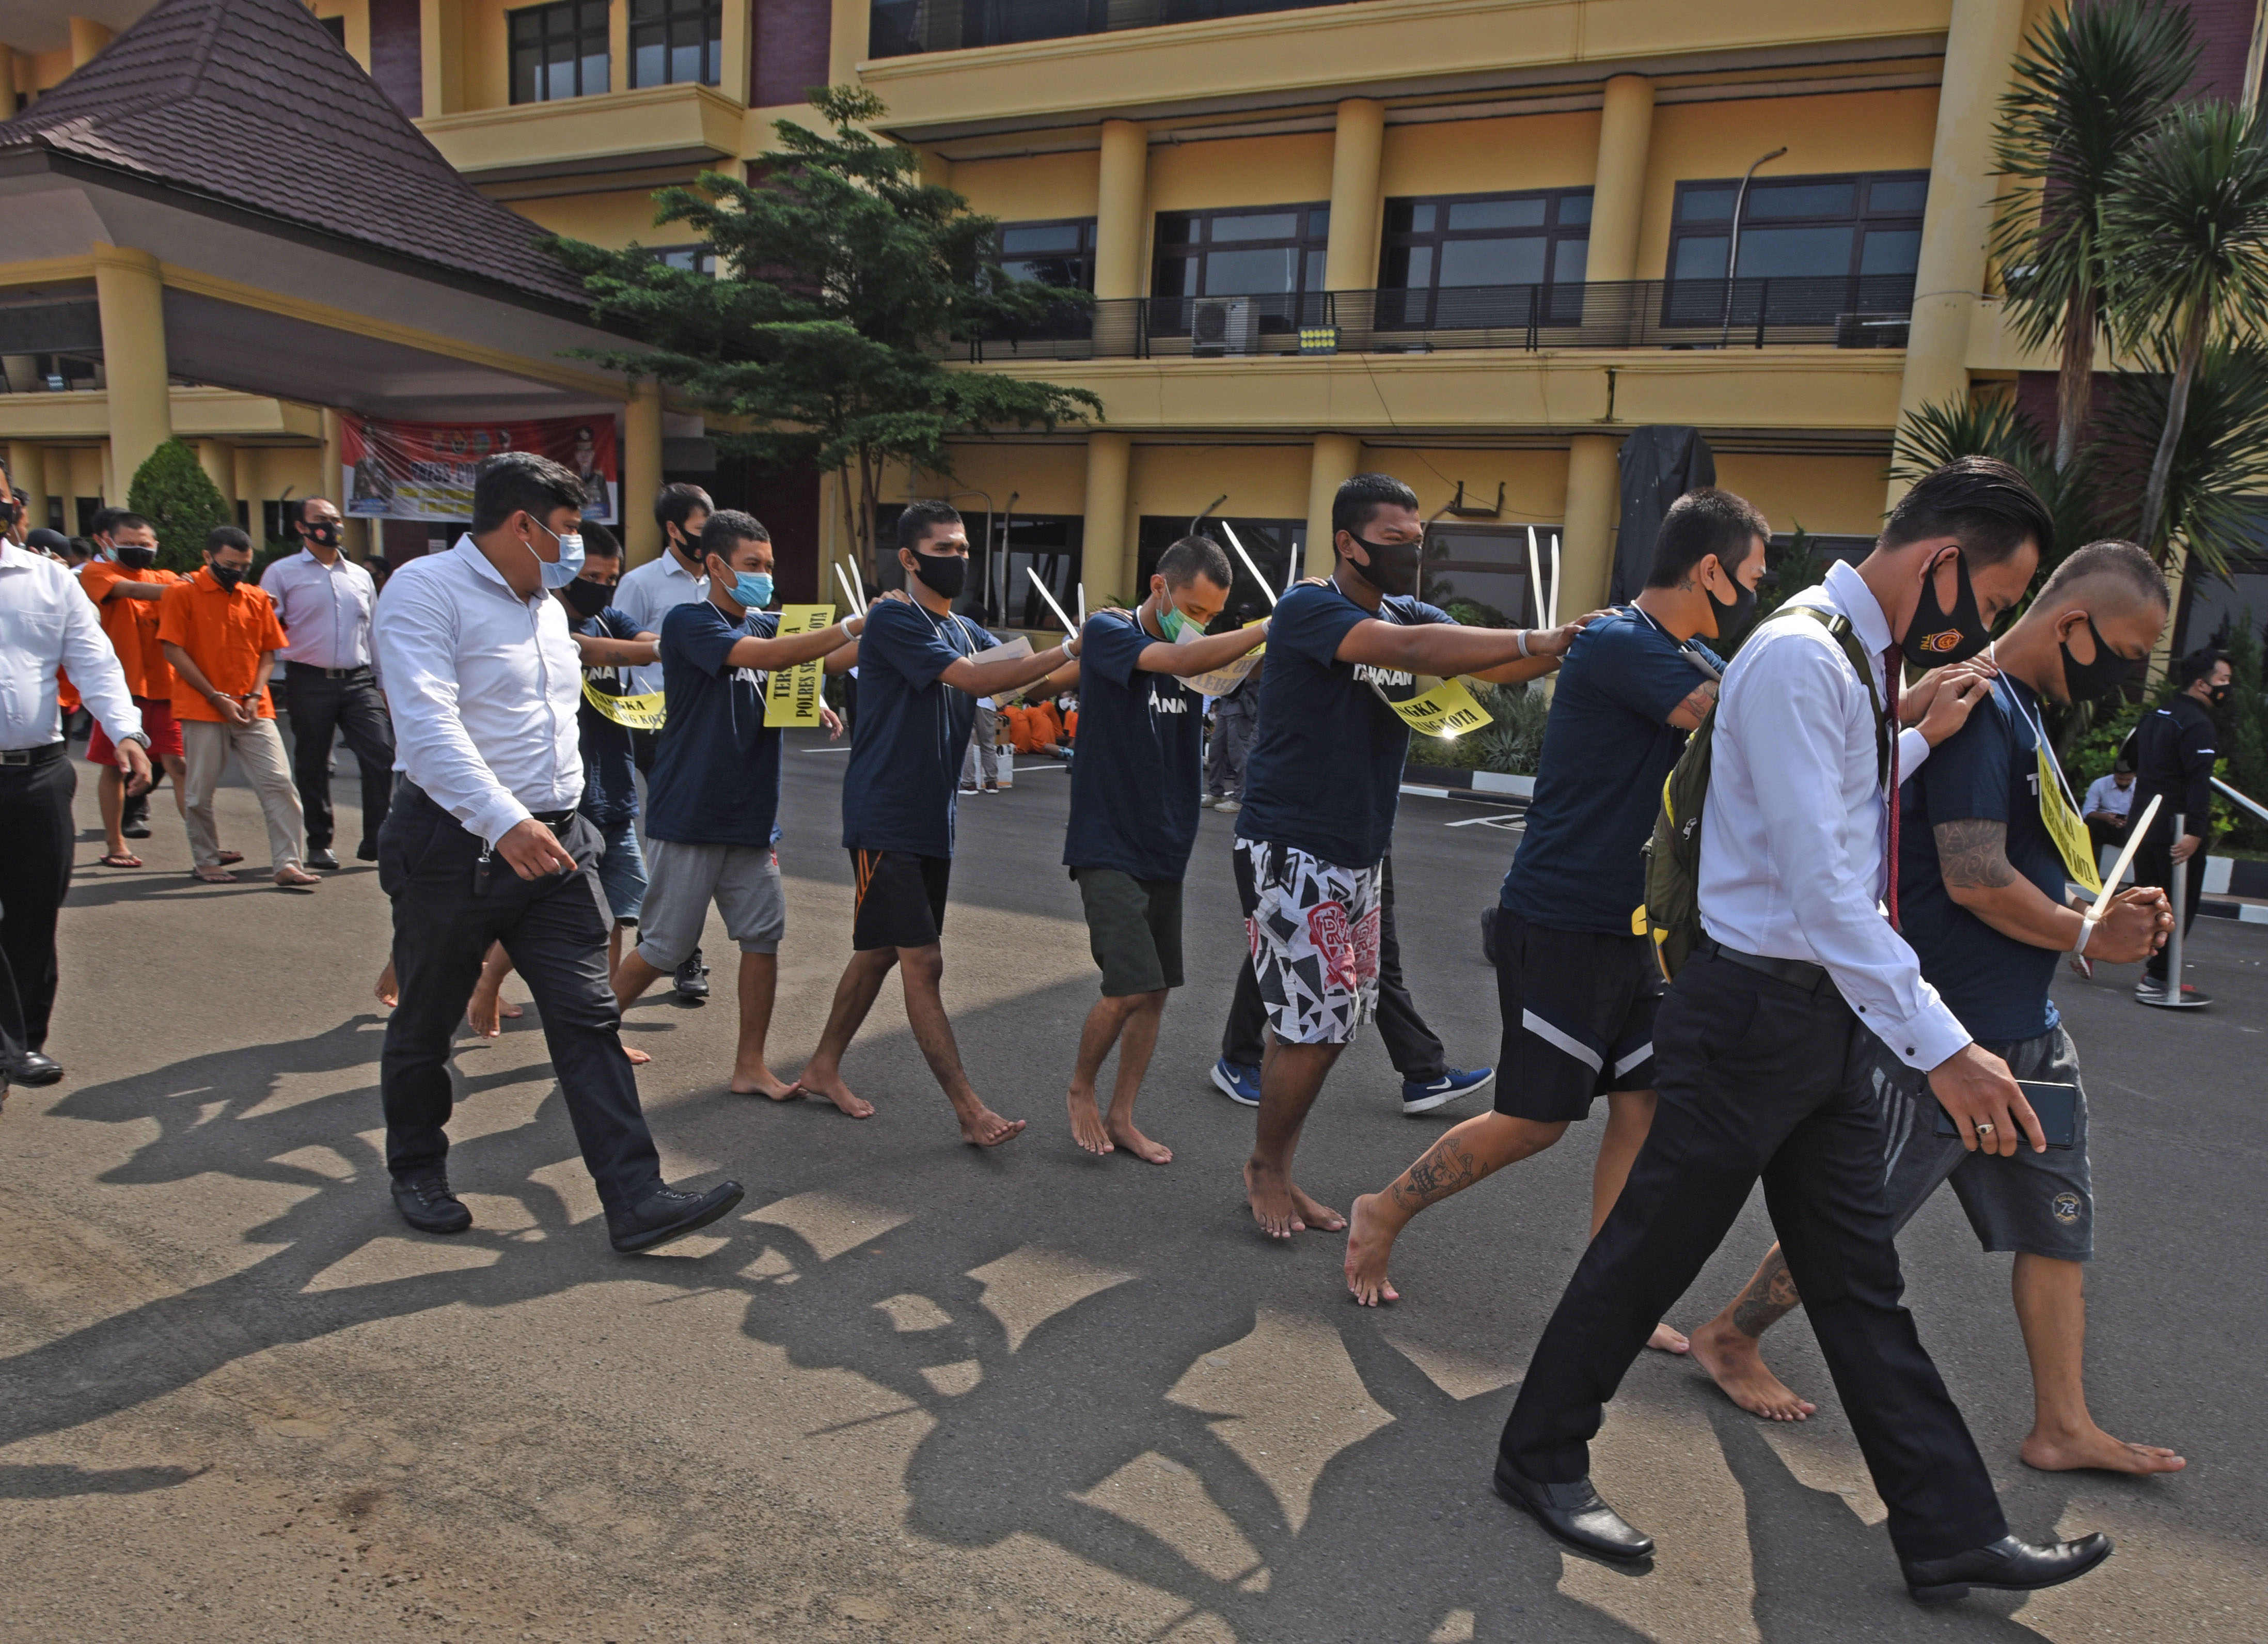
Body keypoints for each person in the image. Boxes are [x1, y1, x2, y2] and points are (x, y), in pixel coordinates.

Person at [1490, 457, 2115, 1604]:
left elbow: (1834, 808)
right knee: (1648, 1255)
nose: (1983, 626)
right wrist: (1950, 1047)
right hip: (1753, 1013)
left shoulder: (1852, 653)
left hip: (1813, 1013)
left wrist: (1919, 737)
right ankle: (1537, 1457)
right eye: (1985, 599)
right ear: (1939, 563)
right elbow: (1826, 890)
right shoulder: (1797, 655)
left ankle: (1948, 1530)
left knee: (1861, 1283)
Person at [1688, 540, 2184, 1481]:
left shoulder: (2028, 711)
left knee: (2056, 1222)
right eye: (2123, 651)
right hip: (1943, 1037)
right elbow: (1973, 878)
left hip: (2025, 1026)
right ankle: (1729, 1332)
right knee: (1851, 1220)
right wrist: (2087, 935)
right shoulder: (1983, 707)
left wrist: (2098, 916)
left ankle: (2062, 1422)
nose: (2125, 677)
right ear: (2073, 625)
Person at [1342, 489, 1770, 1339]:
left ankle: (1608, 1286)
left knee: (1643, 1102)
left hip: (1637, 926)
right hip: (1563, 919)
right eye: (1754, 576)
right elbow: (1738, 725)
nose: (1759, 594)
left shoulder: (1687, 654)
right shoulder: (1624, 644)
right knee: (1535, 1121)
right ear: (1710, 569)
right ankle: (1381, 1209)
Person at [372, 451, 742, 1251]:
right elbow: (428, 727)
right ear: (522, 524)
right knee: (428, 1018)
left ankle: (637, 1198)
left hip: (557, 840)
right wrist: (504, 819)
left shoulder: (545, 602)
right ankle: (417, 1167)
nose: (577, 548)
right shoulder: (423, 592)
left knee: (588, 1017)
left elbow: (553, 713)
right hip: (454, 840)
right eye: (568, 530)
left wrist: (569, 816)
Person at [1235, 475, 1573, 1238]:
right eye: (1395, 541)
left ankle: (1277, 1163)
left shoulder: (1402, 607)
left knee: (1335, 1022)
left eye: (1419, 540)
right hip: (1293, 846)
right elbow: (1415, 649)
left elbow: (1480, 662)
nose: (1412, 552)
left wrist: (1562, 650)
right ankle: (1268, 1168)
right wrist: (1537, 638)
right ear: (1348, 544)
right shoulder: (1308, 607)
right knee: (1311, 1027)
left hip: (1360, 850)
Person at [796, 500, 1082, 1145]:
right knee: (922, 959)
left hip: (931, 819)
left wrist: (1115, 649)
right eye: (945, 549)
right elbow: (974, 681)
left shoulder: (968, 629)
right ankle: (968, 1108)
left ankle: (821, 1066)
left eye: (963, 549)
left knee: (877, 953)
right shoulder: (896, 617)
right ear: (909, 557)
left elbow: (1018, 684)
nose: (958, 559)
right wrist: (1067, 645)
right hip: (886, 816)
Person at [610, 511, 867, 1102]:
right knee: (665, 947)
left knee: (762, 937)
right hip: (692, 814)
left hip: (752, 819)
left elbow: (821, 662)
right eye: (753, 566)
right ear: (716, 565)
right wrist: (854, 624)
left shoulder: (770, 624)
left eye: (770, 566)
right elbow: (772, 659)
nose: (764, 576)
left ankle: (750, 1065)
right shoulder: (688, 624)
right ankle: (589, 1033)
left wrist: (877, 633)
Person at [1059, 535, 1272, 1162]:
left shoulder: (1198, 653)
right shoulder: (1109, 631)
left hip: (1166, 842)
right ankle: (1080, 1089)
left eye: (1212, 616)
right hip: (1108, 841)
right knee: (1127, 986)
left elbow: (1235, 666)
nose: (1201, 624)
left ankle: (1124, 1115)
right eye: (1193, 608)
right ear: (1159, 587)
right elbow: (1178, 663)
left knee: (1155, 993)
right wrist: (1271, 622)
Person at [463, 521, 649, 1043]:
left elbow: (644, 639)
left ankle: (603, 1026)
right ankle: (486, 979)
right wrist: (670, 650)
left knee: (611, 912)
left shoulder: (609, 616)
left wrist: (688, 642)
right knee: (539, 905)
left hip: (614, 791)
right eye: (591, 576)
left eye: (611, 578)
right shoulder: (540, 622)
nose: (602, 587)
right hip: (560, 797)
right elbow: (592, 650)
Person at [0, 482, 152, 1092]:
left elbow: (93, 661)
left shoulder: (48, 580)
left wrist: (126, 732)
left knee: (36, 916)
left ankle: (23, 1044)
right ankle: (10, 1048)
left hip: (37, 772)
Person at [1210, 855, 1495, 1115]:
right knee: (1287, 946)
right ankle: (1239, 1058)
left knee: (1368, 954)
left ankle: (1424, 1071)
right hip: (1316, 840)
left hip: (1370, 841)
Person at [158, 527, 321, 890]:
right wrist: (216, 696)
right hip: (203, 707)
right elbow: (173, 650)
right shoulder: (182, 594)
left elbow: (268, 651)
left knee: (279, 782)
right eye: (230, 564)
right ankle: (206, 860)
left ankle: (288, 863)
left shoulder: (256, 598)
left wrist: (252, 693)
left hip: (253, 707)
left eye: (245, 566)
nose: (238, 571)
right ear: (208, 557)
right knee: (199, 791)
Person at [612, 482, 717, 1001]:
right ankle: (680, 954)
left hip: (704, 727)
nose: (709, 540)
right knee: (673, 844)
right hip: (651, 728)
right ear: (673, 531)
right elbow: (616, 648)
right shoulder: (640, 584)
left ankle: (673, 948)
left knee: (691, 840)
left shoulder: (722, 579)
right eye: (701, 531)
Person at [261, 496, 392, 869]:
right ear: (302, 527)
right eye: (320, 520)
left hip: (358, 680)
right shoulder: (282, 573)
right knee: (314, 762)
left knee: (381, 755)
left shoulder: (360, 576)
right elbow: (266, 626)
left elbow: (375, 633)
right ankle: (319, 841)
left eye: (335, 520)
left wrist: (383, 682)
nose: (331, 526)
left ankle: (377, 839)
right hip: (309, 679)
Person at [76, 512, 188, 870]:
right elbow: (132, 590)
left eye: (145, 544)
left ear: (156, 545)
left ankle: (206, 846)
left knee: (180, 765)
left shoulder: (166, 576)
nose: (138, 550)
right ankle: (115, 844)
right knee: (115, 768)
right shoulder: (97, 574)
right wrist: (185, 591)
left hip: (166, 688)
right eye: (128, 543)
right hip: (119, 692)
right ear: (108, 542)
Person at [2129, 647, 2228, 1003]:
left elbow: (2131, 760)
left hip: (2143, 825)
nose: (2227, 688)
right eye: (2223, 681)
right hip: (2175, 829)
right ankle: (2158, 979)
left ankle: (2152, 971)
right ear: (2202, 685)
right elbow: (2198, 781)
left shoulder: (2156, 714)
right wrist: (2195, 833)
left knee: (2153, 905)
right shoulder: (2198, 724)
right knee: (2176, 908)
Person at [1204, 661, 1258, 811]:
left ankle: (1241, 798)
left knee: (1239, 754)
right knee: (1216, 751)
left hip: (1241, 705)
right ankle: (1216, 793)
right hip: (1228, 702)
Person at [2082, 759, 2136, 861]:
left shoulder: (2140, 786)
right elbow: (2087, 811)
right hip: (2104, 823)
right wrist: (2105, 817)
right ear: (2114, 774)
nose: (2124, 783)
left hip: (2129, 825)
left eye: (2128, 780)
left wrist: (2130, 820)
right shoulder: (2099, 784)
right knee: (2089, 825)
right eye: (2120, 779)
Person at [958, 694, 1001, 794]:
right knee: (988, 743)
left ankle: (968, 783)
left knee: (967, 743)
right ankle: (992, 782)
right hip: (987, 702)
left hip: (965, 701)